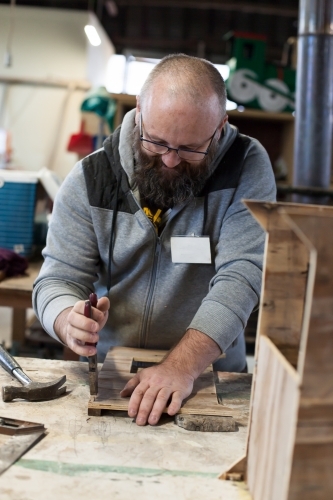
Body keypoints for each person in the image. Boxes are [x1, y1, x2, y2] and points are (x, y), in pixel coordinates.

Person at [33, 54, 276, 426]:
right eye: (157, 142)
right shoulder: (91, 178)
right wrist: (67, 319)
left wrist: (181, 367)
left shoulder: (245, 165)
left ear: (221, 126)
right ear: (139, 114)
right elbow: (57, 278)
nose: (171, 161)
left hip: (211, 375)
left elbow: (243, 274)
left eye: (191, 148)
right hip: (116, 378)